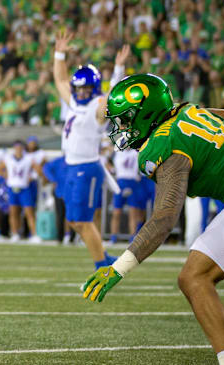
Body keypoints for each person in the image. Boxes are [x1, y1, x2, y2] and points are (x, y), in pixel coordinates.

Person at [82, 73, 224, 365]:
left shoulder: (162, 144)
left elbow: (165, 217)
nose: (122, 128)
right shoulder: (187, 109)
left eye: (127, 119)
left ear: (145, 112)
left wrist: (118, 268)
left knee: (194, 277)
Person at [53, 31, 128, 268]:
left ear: (94, 88)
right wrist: (59, 54)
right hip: (71, 166)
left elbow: (113, 97)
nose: (82, 92)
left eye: (86, 88)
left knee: (82, 221)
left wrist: (118, 70)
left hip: (86, 167)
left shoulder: (98, 106)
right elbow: (60, 80)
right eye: (79, 88)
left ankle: (102, 264)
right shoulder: (74, 101)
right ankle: (103, 257)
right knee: (74, 220)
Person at [0, 140, 39, 243]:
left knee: (29, 212)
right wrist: (7, 177)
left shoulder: (28, 158)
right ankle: (15, 233)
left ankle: (34, 234)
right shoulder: (8, 158)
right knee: (13, 212)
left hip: (24, 188)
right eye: (16, 147)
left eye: (20, 147)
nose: (18, 149)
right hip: (12, 187)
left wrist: (32, 177)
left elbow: (38, 169)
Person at [109, 149, 146, 243]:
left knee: (133, 213)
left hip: (132, 182)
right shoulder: (117, 152)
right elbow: (107, 161)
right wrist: (112, 170)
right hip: (120, 182)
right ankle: (113, 237)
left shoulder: (136, 152)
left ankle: (132, 237)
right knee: (116, 212)